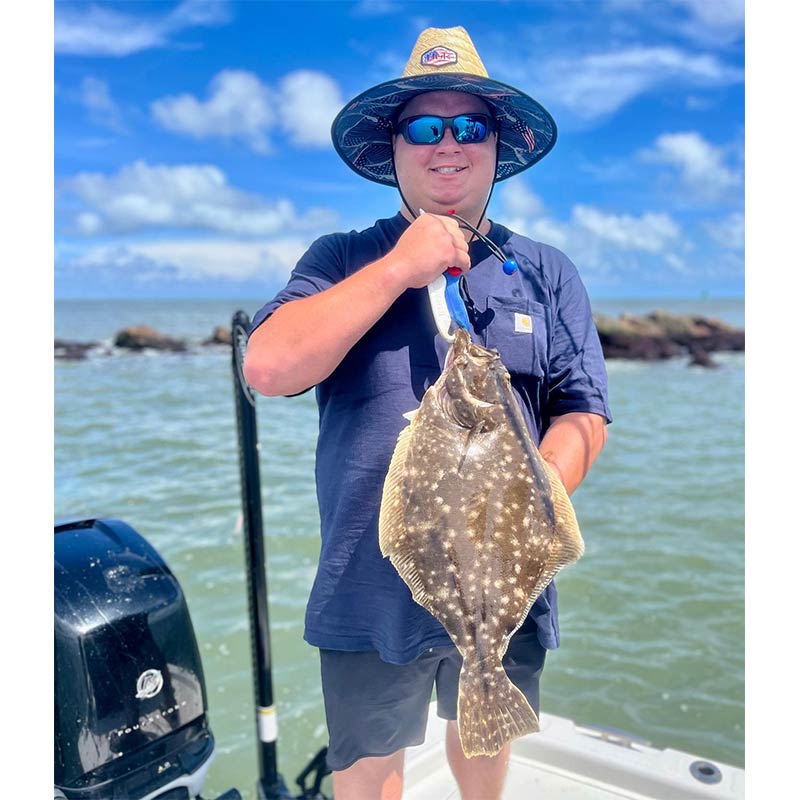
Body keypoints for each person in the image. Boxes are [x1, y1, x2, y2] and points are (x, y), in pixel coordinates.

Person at [244, 26, 611, 800]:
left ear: (498, 144)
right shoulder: (342, 258)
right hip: (367, 582)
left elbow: (583, 411)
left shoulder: (547, 272)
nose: (449, 144)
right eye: (425, 126)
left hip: (507, 572)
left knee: (484, 737)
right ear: (396, 146)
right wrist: (398, 270)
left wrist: (535, 493)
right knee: (371, 772)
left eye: (470, 126)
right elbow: (270, 367)